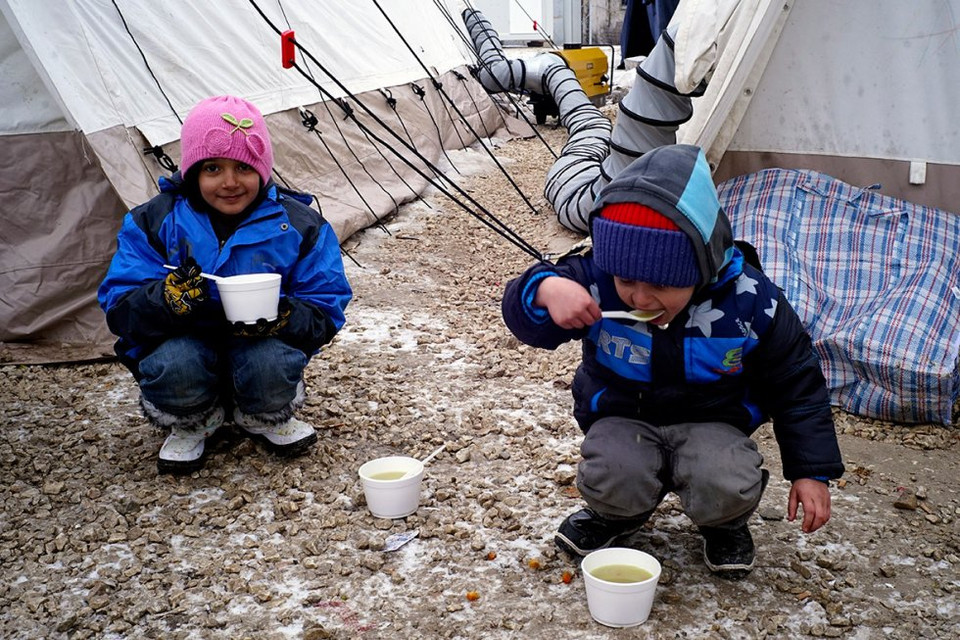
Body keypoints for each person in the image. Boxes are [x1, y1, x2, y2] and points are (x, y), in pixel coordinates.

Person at [501, 144, 843, 579]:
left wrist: (811, 471)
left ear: (701, 267)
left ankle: (723, 523)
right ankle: (617, 515)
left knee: (725, 478)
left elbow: (797, 383)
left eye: (662, 284)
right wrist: (546, 288)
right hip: (623, 417)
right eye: (626, 280)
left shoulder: (752, 301)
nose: (640, 298)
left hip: (713, 423)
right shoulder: (597, 280)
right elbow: (527, 319)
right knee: (613, 470)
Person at [98, 95, 352, 475]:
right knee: (175, 364)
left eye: (244, 168)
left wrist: (286, 316)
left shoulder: (299, 224)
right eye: (213, 168)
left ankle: (263, 415)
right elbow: (119, 305)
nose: (230, 182)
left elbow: (326, 303)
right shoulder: (154, 221)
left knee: (270, 362)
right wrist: (166, 299)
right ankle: (192, 419)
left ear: (263, 171)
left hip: (259, 344)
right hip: (181, 341)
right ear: (192, 172)